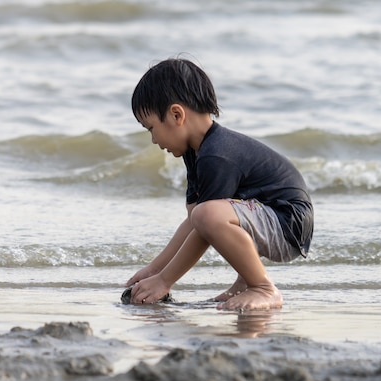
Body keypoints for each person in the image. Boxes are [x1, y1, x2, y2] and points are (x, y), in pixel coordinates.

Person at [125, 58, 314, 310]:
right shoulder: (196, 153)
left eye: (151, 128)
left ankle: (263, 288)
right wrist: (154, 269)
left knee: (209, 213)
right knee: (201, 213)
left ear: (176, 114)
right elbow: (194, 222)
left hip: (288, 224)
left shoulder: (217, 154)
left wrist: (164, 281)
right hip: (268, 217)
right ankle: (246, 284)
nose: (153, 140)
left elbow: (206, 224)